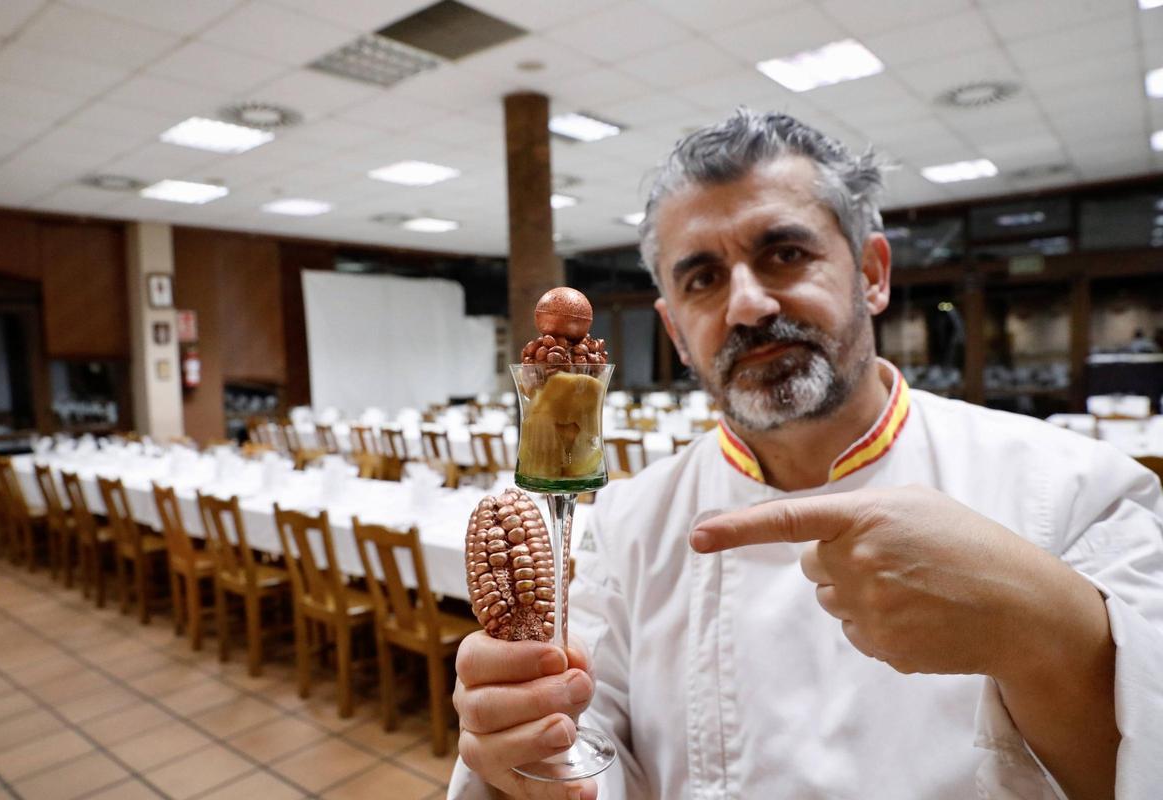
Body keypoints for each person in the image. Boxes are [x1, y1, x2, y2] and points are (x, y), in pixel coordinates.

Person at [448, 109, 1163, 799]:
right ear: (674, 330)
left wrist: (1046, 630)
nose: (749, 305)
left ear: (873, 273)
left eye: (784, 254)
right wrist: (529, 757)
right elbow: (589, 740)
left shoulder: (1079, 493)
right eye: (703, 279)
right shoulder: (628, 524)